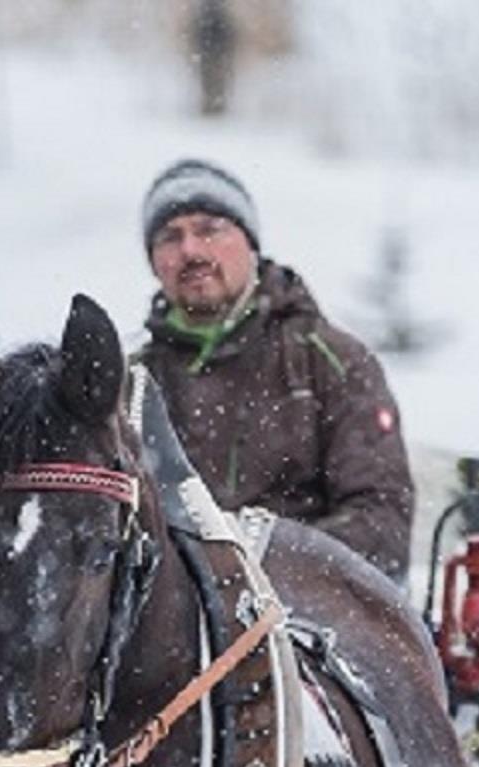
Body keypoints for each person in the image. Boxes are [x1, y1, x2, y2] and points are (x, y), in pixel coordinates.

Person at [134, 158, 415, 582]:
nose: (190, 250)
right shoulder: (129, 383)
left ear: (250, 244)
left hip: (310, 616)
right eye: (170, 237)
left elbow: (381, 521)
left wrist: (252, 568)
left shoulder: (331, 359)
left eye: (210, 228)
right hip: (170, 622)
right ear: (155, 262)